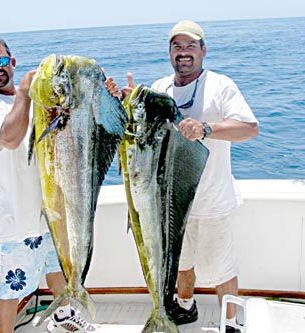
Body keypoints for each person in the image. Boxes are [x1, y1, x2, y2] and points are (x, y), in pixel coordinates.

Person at [0, 37, 119, 333]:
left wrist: (106, 96)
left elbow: (86, 126)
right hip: (15, 218)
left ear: (12, 62)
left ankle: (63, 318)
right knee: (9, 288)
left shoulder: (39, 100)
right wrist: (24, 91)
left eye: (0, 61)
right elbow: (10, 138)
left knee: (58, 269)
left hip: (51, 209)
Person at [120, 21, 259, 333]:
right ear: (169, 52)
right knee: (180, 264)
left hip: (212, 199)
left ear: (203, 50)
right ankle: (185, 306)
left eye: (190, 46)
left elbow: (250, 128)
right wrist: (127, 101)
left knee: (222, 268)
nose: (183, 52)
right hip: (169, 204)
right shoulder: (159, 88)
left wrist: (206, 128)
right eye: (177, 46)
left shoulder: (221, 85)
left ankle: (231, 322)